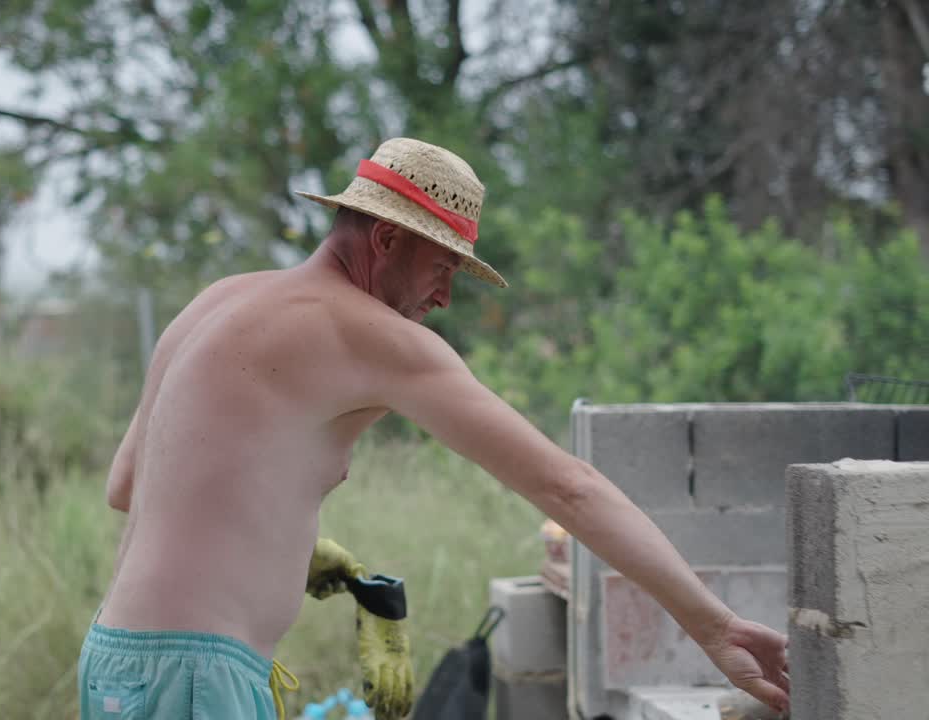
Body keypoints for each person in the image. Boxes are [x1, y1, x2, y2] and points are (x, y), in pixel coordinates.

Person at [78, 138, 791, 719]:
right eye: (444, 266)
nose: (445, 297)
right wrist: (713, 626)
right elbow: (567, 487)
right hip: (196, 680)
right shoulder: (368, 335)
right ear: (387, 238)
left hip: (118, 661)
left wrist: (291, 548)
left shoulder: (220, 300)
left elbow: (128, 486)